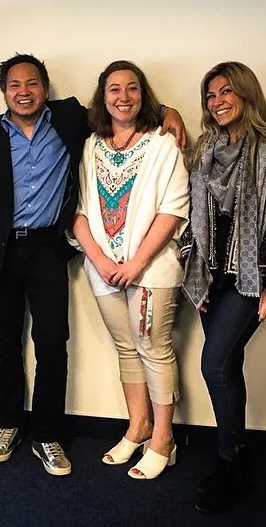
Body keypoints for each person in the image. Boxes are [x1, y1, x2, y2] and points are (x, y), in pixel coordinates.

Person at [0, 55, 185, 476]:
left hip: (48, 248)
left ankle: (47, 434)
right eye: (14, 85)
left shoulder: (69, 119)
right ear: (4, 91)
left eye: (32, 83)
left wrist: (168, 110)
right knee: (3, 343)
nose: (24, 92)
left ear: (45, 89)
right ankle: (8, 424)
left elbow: (122, 104)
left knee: (51, 343)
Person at [180, 61, 266, 511]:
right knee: (226, 366)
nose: (218, 101)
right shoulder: (206, 148)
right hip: (212, 275)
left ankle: (229, 460)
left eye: (226, 91)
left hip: (252, 277)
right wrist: (194, 265)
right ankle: (238, 452)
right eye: (211, 95)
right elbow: (195, 213)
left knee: (213, 364)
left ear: (246, 93)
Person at [71, 60, 189, 480]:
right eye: (114, 89)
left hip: (152, 268)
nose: (124, 97)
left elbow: (174, 208)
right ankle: (138, 427)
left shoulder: (163, 143)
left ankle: (163, 439)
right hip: (102, 268)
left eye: (132, 88)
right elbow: (79, 211)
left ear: (144, 94)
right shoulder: (89, 146)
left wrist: (137, 263)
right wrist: (101, 261)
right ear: (102, 97)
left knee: (153, 347)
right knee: (126, 347)